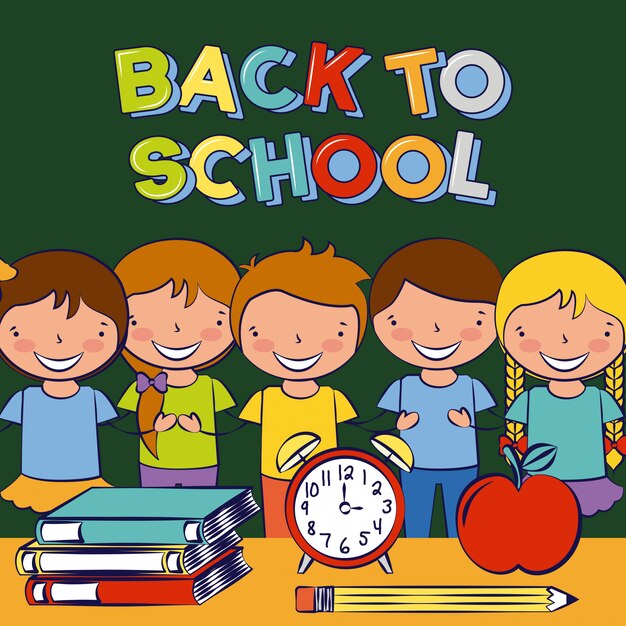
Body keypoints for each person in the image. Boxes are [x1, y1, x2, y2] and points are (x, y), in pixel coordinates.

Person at [231, 241, 368, 537]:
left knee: (325, 532)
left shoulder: (334, 399)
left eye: (336, 331)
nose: (296, 341)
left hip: (327, 476)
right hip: (274, 476)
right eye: (263, 329)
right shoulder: (263, 399)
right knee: (279, 533)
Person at [370, 239, 502, 538]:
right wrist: (399, 425)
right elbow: (375, 426)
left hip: (463, 464)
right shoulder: (403, 386)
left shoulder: (471, 386)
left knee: (461, 525)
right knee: (416, 524)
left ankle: (461, 568)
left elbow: (494, 423)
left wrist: (469, 424)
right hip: (413, 464)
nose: (436, 332)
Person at [497, 250, 625, 516]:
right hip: (540, 480)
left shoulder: (599, 399)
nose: (565, 340)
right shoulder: (530, 399)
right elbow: (514, 433)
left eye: (601, 330)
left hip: (589, 478)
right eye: (527, 331)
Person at [0, 251, 128, 512]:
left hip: (85, 479)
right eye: (19, 331)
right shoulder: (24, 399)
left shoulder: (93, 398)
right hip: (35, 479)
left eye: (97, 330)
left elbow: (120, 434)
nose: (58, 341)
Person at [115, 239, 240, 487]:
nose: (176, 329)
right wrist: (155, 427)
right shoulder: (143, 385)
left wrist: (199, 429)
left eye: (214, 321)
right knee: (157, 517)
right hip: (154, 464)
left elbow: (228, 428)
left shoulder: (212, 387)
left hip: (203, 464)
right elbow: (125, 425)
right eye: (141, 320)